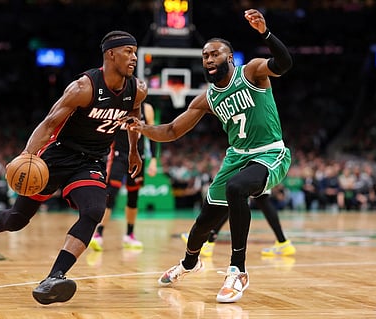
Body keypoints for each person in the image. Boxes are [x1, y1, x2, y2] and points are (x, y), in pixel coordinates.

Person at [0, 30, 147, 305]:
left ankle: (54, 277)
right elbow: (50, 123)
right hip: (59, 156)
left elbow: (133, 117)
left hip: (92, 161)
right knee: (16, 219)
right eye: (128, 52)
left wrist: (134, 150)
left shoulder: (137, 90)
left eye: (135, 52)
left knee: (95, 211)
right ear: (110, 54)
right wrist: (26, 156)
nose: (134, 57)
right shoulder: (83, 88)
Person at [125, 9, 292, 303]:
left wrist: (265, 33)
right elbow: (174, 130)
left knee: (236, 188)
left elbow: (284, 63)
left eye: (215, 54)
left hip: (269, 153)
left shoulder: (251, 72)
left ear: (229, 58)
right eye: (204, 56)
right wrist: (143, 128)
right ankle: (190, 263)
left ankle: (238, 270)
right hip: (236, 157)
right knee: (203, 222)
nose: (209, 59)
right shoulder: (207, 98)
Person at [89, 101, 157, 251]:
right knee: (110, 194)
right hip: (118, 155)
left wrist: (153, 159)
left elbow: (152, 134)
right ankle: (98, 234)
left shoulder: (147, 108)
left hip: (139, 157)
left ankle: (129, 235)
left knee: (133, 196)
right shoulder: (120, 105)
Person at [181, 192, 296, 258]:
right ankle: (283, 242)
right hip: (259, 158)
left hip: (256, 157)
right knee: (252, 198)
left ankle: (209, 241)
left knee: (236, 195)